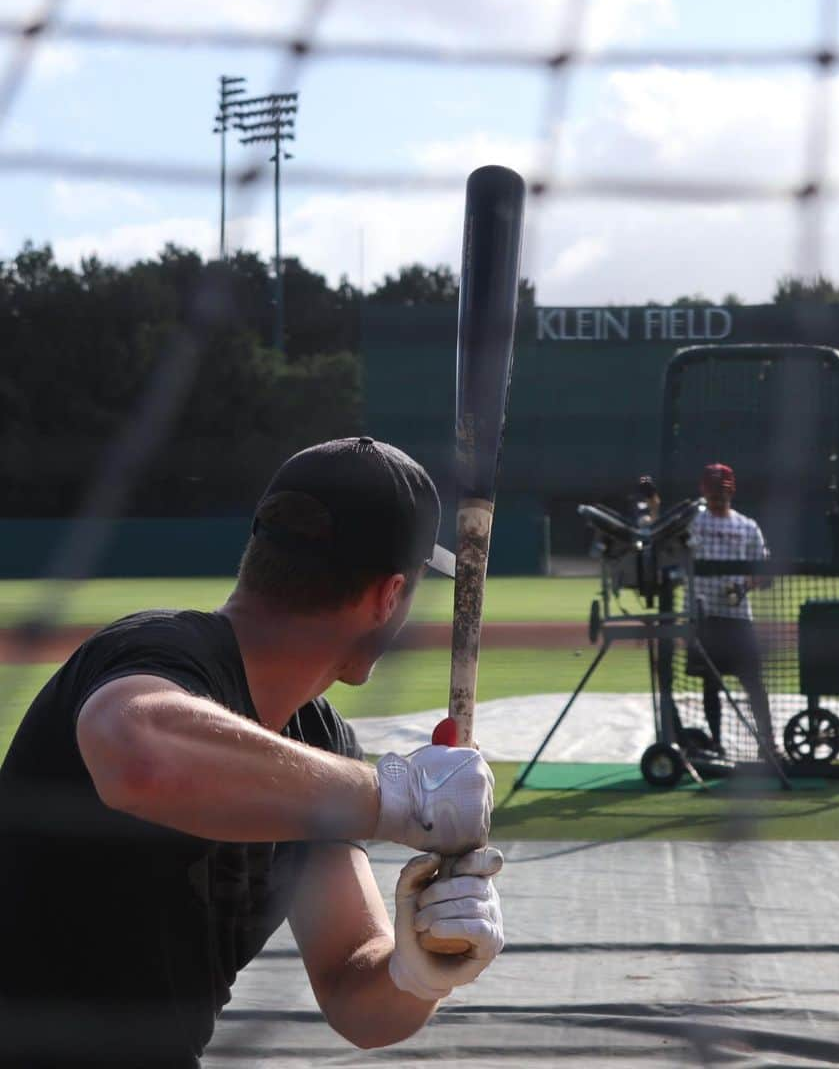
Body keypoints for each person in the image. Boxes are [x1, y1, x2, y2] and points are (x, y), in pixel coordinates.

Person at [0, 437, 503, 1068]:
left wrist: (421, 969)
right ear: (387, 596)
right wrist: (398, 798)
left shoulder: (319, 745)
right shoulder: (157, 653)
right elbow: (140, 754)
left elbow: (355, 998)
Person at [686, 462, 776, 760]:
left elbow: (764, 573)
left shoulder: (747, 526)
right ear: (704, 491)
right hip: (702, 617)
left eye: (721, 492)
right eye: (713, 492)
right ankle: (715, 742)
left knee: (754, 683)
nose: (717, 498)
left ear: (732, 491)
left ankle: (768, 743)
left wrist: (742, 587)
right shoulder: (693, 523)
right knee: (710, 685)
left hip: (738, 619)